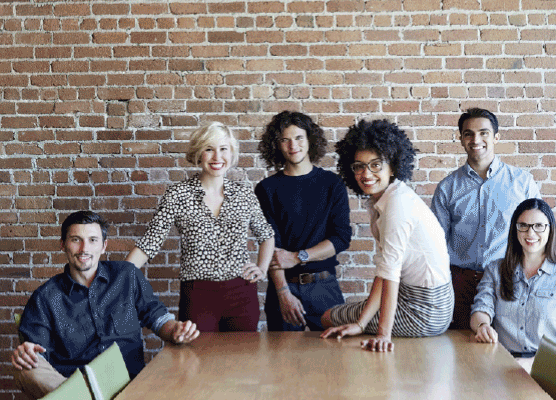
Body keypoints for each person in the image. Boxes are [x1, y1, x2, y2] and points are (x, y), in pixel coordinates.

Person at [11, 210, 199, 400]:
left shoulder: (127, 275)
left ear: (103, 246)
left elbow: (157, 317)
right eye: (76, 240)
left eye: (93, 240)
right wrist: (26, 353)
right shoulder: (45, 297)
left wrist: (175, 329)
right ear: (63, 244)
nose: (84, 248)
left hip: (130, 383)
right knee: (27, 370)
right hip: (74, 386)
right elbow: (37, 355)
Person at [126, 121, 275, 332]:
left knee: (242, 361)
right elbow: (150, 243)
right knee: (197, 360)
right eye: (209, 149)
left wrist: (262, 268)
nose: (217, 157)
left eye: (223, 149)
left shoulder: (244, 194)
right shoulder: (178, 195)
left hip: (242, 294)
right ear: (198, 153)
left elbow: (266, 234)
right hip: (198, 295)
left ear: (231, 153)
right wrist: (119, 280)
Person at [321, 119, 453, 351]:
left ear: (392, 166)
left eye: (375, 165)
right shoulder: (388, 198)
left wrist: (384, 334)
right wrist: (361, 323)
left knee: (329, 317)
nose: (366, 174)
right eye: (359, 166)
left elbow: (391, 273)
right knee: (347, 316)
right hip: (423, 301)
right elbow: (385, 272)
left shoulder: (397, 205)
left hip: (425, 310)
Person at [431, 106, 540, 330]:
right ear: (461, 139)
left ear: (496, 137)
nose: (475, 139)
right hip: (460, 284)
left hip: (508, 280)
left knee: (508, 348)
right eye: (468, 134)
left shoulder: (522, 183)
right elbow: (435, 246)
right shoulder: (447, 188)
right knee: (461, 350)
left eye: (483, 133)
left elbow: (540, 234)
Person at [255, 111, 353, 331]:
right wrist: (283, 293)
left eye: (299, 138)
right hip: (284, 289)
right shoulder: (267, 189)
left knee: (333, 359)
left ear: (310, 140)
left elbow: (341, 238)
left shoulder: (332, 184)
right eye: (285, 140)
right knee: (283, 362)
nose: (293, 145)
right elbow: (271, 245)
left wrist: (298, 257)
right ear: (276, 145)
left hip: (324, 287)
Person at [470, 197, 556, 373]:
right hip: (502, 363)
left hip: (549, 368)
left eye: (539, 226)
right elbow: (480, 309)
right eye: (523, 225)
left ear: (550, 229)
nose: (530, 233)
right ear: (515, 230)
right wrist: (483, 326)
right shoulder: (496, 270)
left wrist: (535, 363)